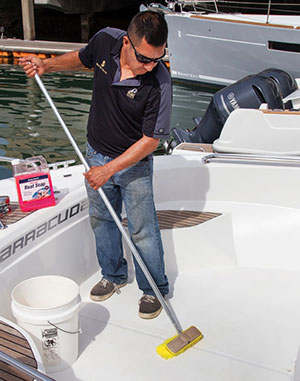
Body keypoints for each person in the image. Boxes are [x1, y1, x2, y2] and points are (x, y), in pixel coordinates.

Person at [19, 10, 171, 319]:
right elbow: (82, 58)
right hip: (95, 152)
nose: (150, 66)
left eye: (158, 58)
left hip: (133, 164)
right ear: (127, 42)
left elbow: (151, 140)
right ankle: (113, 275)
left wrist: (109, 169)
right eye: (144, 58)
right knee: (102, 219)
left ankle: (153, 289)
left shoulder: (159, 81)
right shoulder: (106, 41)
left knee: (143, 230)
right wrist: (46, 65)